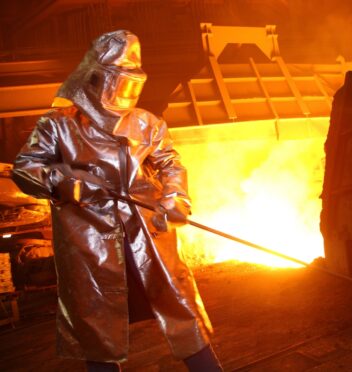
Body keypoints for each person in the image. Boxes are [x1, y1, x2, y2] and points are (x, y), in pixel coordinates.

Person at [12, 30, 222, 371]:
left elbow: (171, 163)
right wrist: (70, 186)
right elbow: (25, 168)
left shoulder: (146, 123)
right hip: (90, 241)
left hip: (146, 235)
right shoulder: (58, 126)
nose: (124, 95)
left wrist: (175, 199)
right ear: (95, 78)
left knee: (181, 311)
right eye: (118, 84)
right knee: (98, 325)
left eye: (131, 85)